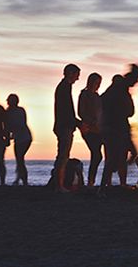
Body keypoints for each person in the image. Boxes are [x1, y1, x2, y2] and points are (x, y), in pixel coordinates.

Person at [98, 64, 138, 192]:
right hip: (115, 128)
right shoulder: (119, 88)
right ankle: (103, 187)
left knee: (126, 154)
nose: (137, 82)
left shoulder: (121, 88)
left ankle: (115, 179)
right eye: (137, 78)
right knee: (114, 158)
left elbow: (129, 110)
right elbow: (127, 110)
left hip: (119, 127)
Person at [52, 64, 83, 192]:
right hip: (64, 126)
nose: (78, 78)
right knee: (63, 155)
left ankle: (58, 183)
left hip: (64, 125)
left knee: (63, 155)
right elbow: (67, 111)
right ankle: (59, 185)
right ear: (70, 73)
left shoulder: (64, 87)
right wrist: (78, 123)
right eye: (77, 75)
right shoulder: (64, 88)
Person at [78, 72, 103, 186]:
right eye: (96, 82)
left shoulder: (97, 97)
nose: (97, 85)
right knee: (96, 154)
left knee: (97, 155)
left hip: (99, 128)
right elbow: (81, 112)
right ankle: (90, 181)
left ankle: (93, 181)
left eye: (99, 83)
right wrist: (92, 122)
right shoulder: (84, 94)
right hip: (89, 128)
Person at [6, 93, 33, 186]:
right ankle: (18, 179)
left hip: (24, 137)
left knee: (20, 159)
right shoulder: (12, 111)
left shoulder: (16, 111)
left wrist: (9, 136)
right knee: (19, 159)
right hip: (21, 137)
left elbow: (19, 124)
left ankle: (24, 180)